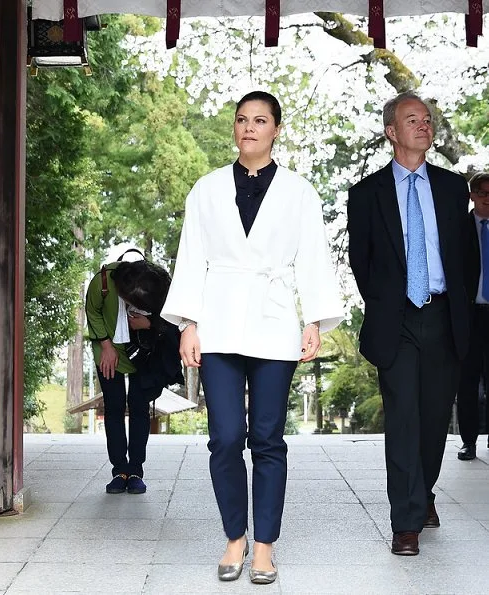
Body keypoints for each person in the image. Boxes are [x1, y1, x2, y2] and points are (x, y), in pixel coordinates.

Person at [161, 91, 344, 584]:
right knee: (224, 438)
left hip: (274, 318)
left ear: (276, 129)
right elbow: (191, 257)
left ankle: (264, 545)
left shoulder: (300, 192)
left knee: (266, 438)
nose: (249, 128)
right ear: (235, 128)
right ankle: (234, 538)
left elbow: (312, 259)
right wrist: (188, 323)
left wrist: (313, 320)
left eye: (260, 120)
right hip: (217, 321)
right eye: (242, 119)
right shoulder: (206, 188)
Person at [347, 91, 470, 556]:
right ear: (391, 132)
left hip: (442, 315)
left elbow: (465, 259)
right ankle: (406, 519)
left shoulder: (453, 188)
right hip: (395, 319)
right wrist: (384, 305)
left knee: (434, 419)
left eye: (427, 119)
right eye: (412, 119)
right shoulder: (366, 194)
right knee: (403, 418)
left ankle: (425, 491)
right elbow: (362, 261)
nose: (424, 125)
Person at [86, 256, 183, 495]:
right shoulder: (103, 281)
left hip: (144, 353)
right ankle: (119, 470)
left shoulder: (156, 284)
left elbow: (171, 322)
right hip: (109, 349)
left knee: (139, 407)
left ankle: (136, 469)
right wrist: (106, 345)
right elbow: (92, 310)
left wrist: (148, 324)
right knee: (114, 405)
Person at [457, 172, 489, 461]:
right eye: (482, 192)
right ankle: (468, 441)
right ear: (472, 195)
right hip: (469, 316)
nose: (487, 198)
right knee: (466, 382)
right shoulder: (460, 228)